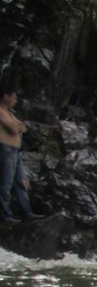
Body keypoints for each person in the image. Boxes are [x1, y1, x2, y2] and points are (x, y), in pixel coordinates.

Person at [0, 86, 41, 224]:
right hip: (5, 150)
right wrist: (18, 127)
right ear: (6, 96)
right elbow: (13, 129)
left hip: (14, 151)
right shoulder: (1, 112)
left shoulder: (9, 113)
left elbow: (23, 127)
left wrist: (18, 127)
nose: (16, 100)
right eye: (14, 97)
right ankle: (5, 215)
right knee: (6, 182)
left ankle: (27, 213)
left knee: (22, 182)